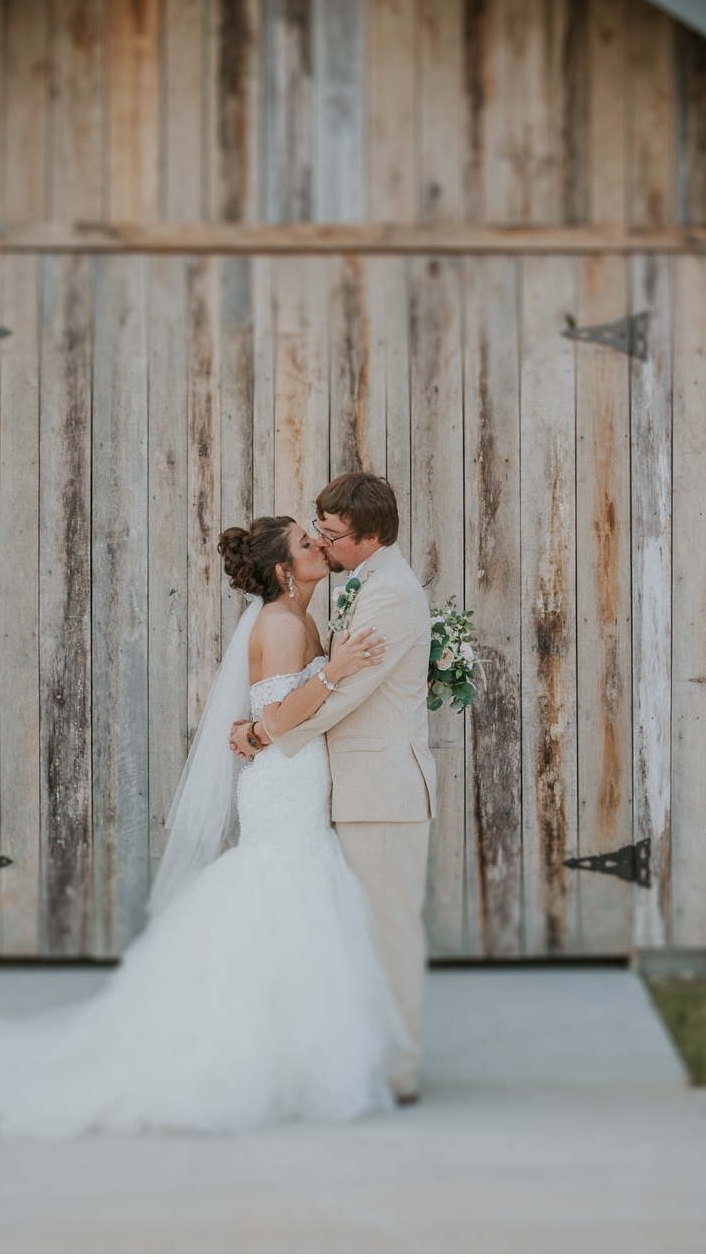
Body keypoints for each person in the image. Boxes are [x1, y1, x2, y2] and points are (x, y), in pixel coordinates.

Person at [0, 516, 405, 1139]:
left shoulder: (302, 620)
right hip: (283, 787)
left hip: (293, 777)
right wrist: (334, 671)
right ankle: (249, 1060)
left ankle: (286, 1053)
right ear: (285, 570)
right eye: (306, 542)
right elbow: (285, 717)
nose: (319, 544)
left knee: (293, 897)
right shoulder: (285, 624)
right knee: (284, 890)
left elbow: (273, 718)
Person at [230, 473, 436, 1103]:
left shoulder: (389, 594)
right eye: (312, 533)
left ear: (370, 538)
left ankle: (395, 1071)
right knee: (342, 932)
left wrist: (263, 733)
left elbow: (345, 693)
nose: (321, 540)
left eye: (332, 534)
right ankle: (331, 1056)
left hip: (378, 791)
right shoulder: (333, 599)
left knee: (386, 935)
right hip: (325, 788)